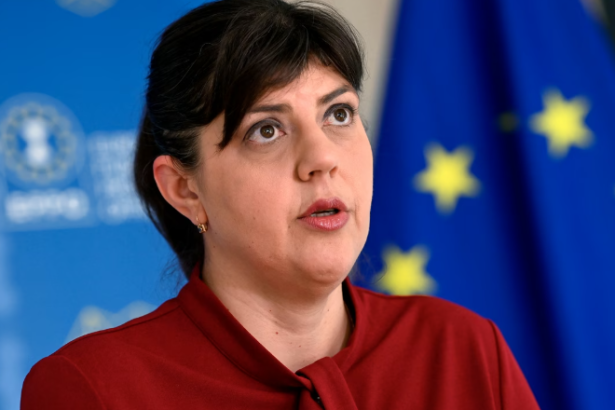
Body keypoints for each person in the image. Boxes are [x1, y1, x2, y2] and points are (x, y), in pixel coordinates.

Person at [21, 0, 540, 408]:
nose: (322, 159)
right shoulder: (92, 388)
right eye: (266, 130)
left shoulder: (465, 348)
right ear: (185, 189)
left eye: (338, 114)